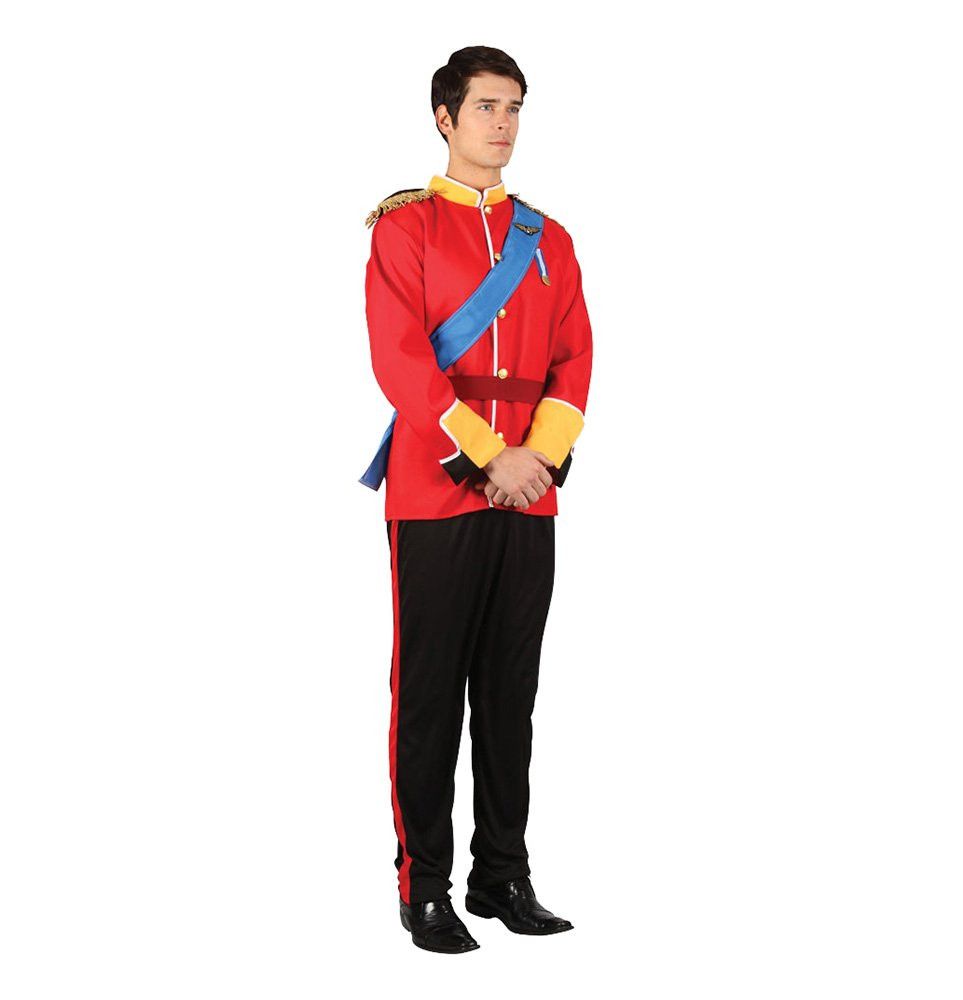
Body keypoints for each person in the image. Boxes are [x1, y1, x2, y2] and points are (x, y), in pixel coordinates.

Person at [361, 46, 593, 954]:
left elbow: (573, 359)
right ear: (444, 118)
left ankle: (502, 876)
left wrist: (537, 462)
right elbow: (402, 363)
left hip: (527, 499)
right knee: (427, 700)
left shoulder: (551, 240)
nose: (504, 123)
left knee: (508, 696)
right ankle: (424, 886)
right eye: (487, 106)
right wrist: (492, 457)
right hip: (436, 494)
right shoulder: (405, 231)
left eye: (515, 107)